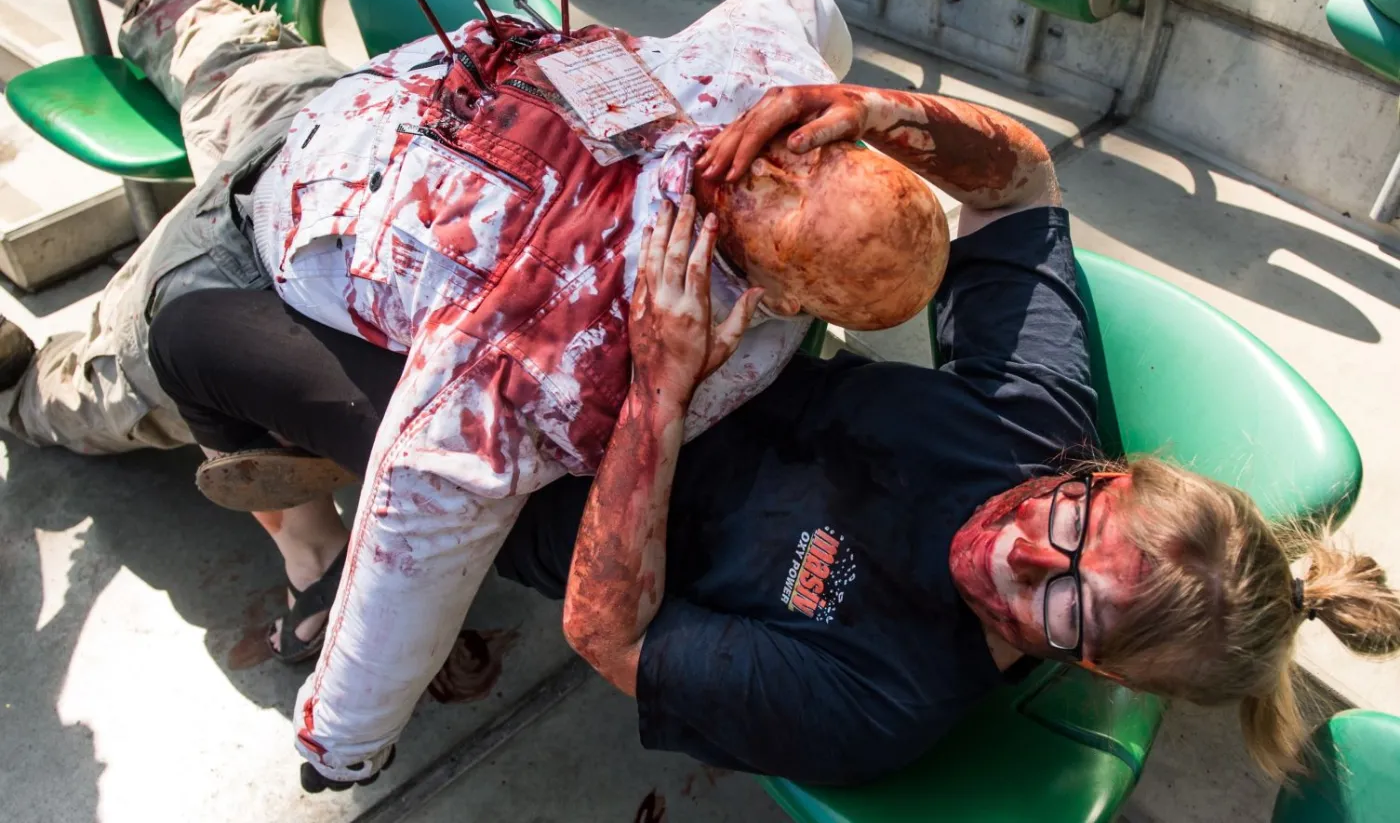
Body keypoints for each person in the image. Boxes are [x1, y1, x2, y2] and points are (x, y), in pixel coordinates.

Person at [153, 84, 1400, 787]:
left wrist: (650, 386)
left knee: (194, 326)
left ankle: (271, 510)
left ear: (1097, 671)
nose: (1022, 549)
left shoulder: (880, 701)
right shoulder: (1041, 431)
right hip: (683, 333)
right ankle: (227, 78)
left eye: (1065, 608)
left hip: (545, 476)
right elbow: (1021, 186)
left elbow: (605, 632)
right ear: (1105, 478)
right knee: (365, 146)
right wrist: (877, 112)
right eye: (1073, 520)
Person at [0, 0, 951, 786]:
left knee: (110, 373)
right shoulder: (770, 75)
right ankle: (161, 3)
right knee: (229, 53)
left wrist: (344, 736)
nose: (764, 171)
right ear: (825, 130)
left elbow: (419, 519)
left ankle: (26, 391)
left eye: (780, 197)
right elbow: (808, 6)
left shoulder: (574, 341)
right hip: (353, 106)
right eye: (795, 155)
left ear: (788, 299)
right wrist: (851, 99)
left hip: (258, 237)